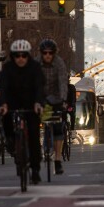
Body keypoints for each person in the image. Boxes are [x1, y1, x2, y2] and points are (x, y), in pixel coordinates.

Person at [0, 39, 44, 184]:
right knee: (6, 120)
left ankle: (35, 170)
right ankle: (10, 142)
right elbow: (1, 87)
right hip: (12, 102)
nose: (20, 58)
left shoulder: (35, 67)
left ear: (28, 56)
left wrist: (39, 103)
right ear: (13, 56)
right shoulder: (7, 68)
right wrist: (2, 104)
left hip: (31, 103)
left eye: (24, 55)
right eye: (17, 55)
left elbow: (40, 87)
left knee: (34, 135)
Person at [38, 38, 69, 174]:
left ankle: (57, 160)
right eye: (45, 53)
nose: (47, 56)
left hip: (56, 96)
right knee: (39, 121)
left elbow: (63, 82)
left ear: (54, 53)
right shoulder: (37, 63)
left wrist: (63, 100)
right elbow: (34, 82)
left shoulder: (59, 63)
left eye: (50, 53)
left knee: (57, 129)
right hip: (42, 97)